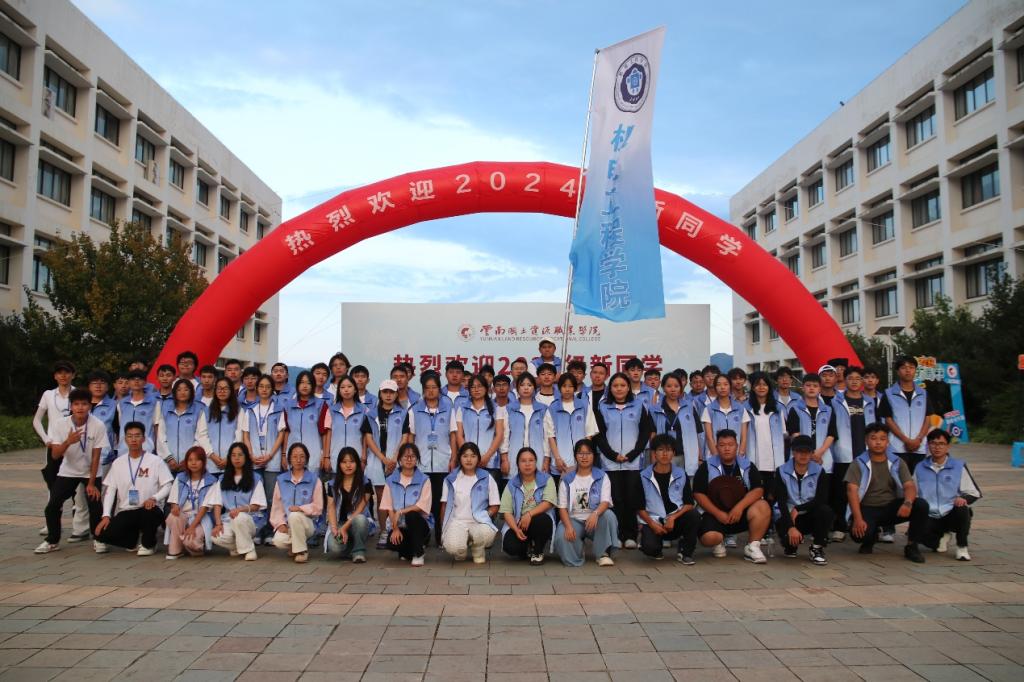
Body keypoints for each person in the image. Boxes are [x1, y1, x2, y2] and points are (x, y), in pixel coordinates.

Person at [35, 389, 108, 554]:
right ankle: (52, 540)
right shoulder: (60, 424)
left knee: (95, 505)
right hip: (68, 470)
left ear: (90, 406)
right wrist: (68, 441)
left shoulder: (98, 425)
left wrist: (91, 484)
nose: (80, 407)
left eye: (84, 404)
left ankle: (99, 539)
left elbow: (96, 456)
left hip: (91, 472)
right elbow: (55, 455)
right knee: (53, 505)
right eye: (76, 404)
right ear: (71, 406)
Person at [844, 422, 929, 563]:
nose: (878, 442)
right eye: (873, 438)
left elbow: (909, 486)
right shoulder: (858, 463)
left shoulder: (897, 462)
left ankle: (912, 546)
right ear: (866, 441)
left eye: (882, 439)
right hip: (867, 508)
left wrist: (907, 503)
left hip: (890, 507)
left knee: (920, 505)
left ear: (888, 442)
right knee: (860, 535)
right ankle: (870, 538)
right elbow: (851, 491)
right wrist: (857, 519)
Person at [692, 429, 772, 563]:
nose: (727, 448)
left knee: (762, 506)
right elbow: (698, 494)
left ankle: (752, 546)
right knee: (710, 538)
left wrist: (739, 507)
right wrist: (717, 513)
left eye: (730, 445)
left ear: (737, 446)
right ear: (716, 447)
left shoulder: (747, 465)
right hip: (714, 514)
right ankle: (718, 542)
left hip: (739, 513)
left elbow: (758, 490)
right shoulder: (707, 466)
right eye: (722, 445)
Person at [94, 421, 173, 555]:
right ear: (125, 439)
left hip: (149, 508)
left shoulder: (155, 461)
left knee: (149, 514)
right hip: (127, 510)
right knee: (101, 534)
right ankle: (131, 540)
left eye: (137, 436)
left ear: (143, 439)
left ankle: (149, 544)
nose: (133, 439)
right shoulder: (118, 463)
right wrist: (106, 515)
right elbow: (110, 491)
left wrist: (155, 498)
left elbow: (168, 485)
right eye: (130, 436)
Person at [406, 371, 457, 546]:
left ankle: (440, 535)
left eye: (434, 387)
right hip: (422, 464)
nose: (431, 391)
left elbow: (453, 435)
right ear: (423, 390)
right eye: (427, 388)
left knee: (440, 502)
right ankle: (424, 536)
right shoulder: (415, 410)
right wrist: (411, 458)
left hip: (443, 463)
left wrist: (453, 458)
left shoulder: (448, 408)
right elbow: (411, 436)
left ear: (439, 389)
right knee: (423, 502)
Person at [915, 429, 981, 561]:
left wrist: (963, 498)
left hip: (951, 512)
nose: (937, 447)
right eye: (933, 443)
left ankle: (962, 547)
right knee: (917, 534)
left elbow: (974, 492)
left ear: (948, 446)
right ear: (928, 445)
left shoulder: (958, 466)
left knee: (962, 508)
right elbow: (913, 492)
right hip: (929, 514)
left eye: (941, 444)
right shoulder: (920, 467)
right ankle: (940, 539)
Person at [553, 439, 617, 567]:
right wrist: (568, 526)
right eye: (580, 453)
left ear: (594, 455)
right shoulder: (567, 479)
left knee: (608, 515)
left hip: (595, 520)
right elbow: (562, 507)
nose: (584, 457)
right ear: (575, 456)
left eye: (588, 453)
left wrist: (595, 513)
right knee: (561, 536)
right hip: (574, 519)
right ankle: (577, 552)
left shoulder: (602, 476)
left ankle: (603, 554)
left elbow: (605, 501)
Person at [637, 434, 700, 564]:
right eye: (660, 450)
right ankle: (654, 546)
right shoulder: (643, 476)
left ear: (674, 453)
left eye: (669, 450)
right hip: (654, 521)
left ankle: (685, 552)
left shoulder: (681, 474)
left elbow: (689, 503)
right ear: (654, 453)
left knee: (694, 514)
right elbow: (639, 507)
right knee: (650, 548)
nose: (665, 454)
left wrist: (673, 518)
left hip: (675, 521)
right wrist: (652, 524)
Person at [829, 366, 875, 541]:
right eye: (851, 378)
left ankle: (863, 524)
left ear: (862, 381)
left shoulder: (870, 402)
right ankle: (840, 526)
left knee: (865, 490)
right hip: (843, 452)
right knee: (842, 492)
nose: (854, 381)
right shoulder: (836, 401)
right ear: (844, 380)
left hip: (865, 453)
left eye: (858, 378)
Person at [361, 379, 409, 546]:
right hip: (377, 461)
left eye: (391, 392)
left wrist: (394, 459)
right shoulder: (370, 414)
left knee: (397, 498)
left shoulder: (403, 413)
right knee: (382, 499)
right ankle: (383, 531)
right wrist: (383, 459)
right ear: (380, 394)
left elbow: (405, 437)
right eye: (385, 392)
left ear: (396, 394)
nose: (388, 395)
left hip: (397, 462)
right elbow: (368, 438)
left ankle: (397, 529)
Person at [241, 374, 286, 544]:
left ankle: (269, 530)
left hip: (271, 459)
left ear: (272, 389)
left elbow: (281, 435)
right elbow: (245, 435)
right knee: (255, 497)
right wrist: (250, 454)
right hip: (254, 459)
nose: (264, 389)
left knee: (270, 496)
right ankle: (257, 531)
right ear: (257, 388)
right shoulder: (250, 410)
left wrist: (270, 455)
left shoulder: (278, 410)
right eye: (261, 386)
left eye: (268, 387)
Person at [774, 435, 832, 565]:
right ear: (793, 452)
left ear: (812, 453)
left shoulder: (819, 471)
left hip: (809, 513)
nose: (803, 455)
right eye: (800, 451)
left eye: (807, 452)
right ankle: (790, 545)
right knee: (789, 544)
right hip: (788, 515)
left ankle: (817, 548)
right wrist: (790, 527)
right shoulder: (781, 471)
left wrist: (798, 508)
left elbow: (821, 499)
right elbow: (781, 502)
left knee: (825, 511)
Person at [440, 442, 499, 563]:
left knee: (486, 534)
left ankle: (478, 548)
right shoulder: (450, 479)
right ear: (459, 458)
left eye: (473, 456)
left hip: (478, 522)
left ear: (478, 458)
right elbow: (444, 505)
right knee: (453, 547)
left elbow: (495, 505)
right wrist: (444, 527)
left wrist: (485, 515)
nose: (469, 459)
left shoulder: (486, 477)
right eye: (465, 456)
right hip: (457, 522)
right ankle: (461, 551)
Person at [209, 442, 268, 561]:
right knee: (215, 536)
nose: (237, 458)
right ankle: (240, 547)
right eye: (233, 455)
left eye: (240, 455)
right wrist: (218, 524)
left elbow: (257, 505)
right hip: (229, 518)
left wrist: (241, 509)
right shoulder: (223, 479)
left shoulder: (255, 478)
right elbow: (217, 504)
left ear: (246, 457)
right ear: (229, 458)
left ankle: (249, 551)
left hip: (250, 518)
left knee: (239, 517)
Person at [500, 447, 556, 564]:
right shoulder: (512, 484)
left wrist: (529, 515)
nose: (527, 464)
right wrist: (516, 530)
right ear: (518, 464)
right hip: (519, 523)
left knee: (542, 521)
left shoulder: (547, 479)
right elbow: (506, 511)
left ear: (536, 462)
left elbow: (548, 502)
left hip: (539, 520)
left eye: (531, 460)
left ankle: (538, 551)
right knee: (511, 546)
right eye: (523, 461)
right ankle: (527, 547)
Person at [270, 443, 324, 563]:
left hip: (308, 524)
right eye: (294, 456)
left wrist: (301, 509)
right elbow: (277, 506)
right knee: (278, 541)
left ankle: (301, 551)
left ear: (307, 459)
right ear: (289, 459)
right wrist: (280, 523)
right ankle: (295, 546)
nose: (298, 460)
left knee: (294, 515)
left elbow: (318, 506)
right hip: (288, 524)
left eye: (302, 456)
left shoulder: (314, 479)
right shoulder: (281, 480)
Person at [381, 443, 432, 566]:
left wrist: (401, 511)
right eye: (405, 456)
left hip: (419, 525)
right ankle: (410, 550)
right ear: (399, 459)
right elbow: (389, 508)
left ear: (417, 459)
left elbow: (421, 505)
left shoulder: (424, 480)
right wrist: (395, 528)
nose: (409, 459)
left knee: (411, 515)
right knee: (392, 543)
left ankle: (418, 553)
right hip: (400, 525)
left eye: (413, 456)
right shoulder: (390, 480)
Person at [879, 356, 932, 473]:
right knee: (897, 480)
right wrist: (906, 440)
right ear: (898, 371)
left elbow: (927, 419)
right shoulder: (888, 394)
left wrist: (918, 440)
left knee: (917, 481)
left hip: (919, 448)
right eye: (903, 367)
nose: (908, 370)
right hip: (897, 448)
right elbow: (888, 420)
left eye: (911, 367)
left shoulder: (923, 394)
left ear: (915, 370)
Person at [164, 446, 217, 559]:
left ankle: (192, 545)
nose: (193, 463)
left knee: (191, 542)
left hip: (200, 518)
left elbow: (204, 507)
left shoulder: (211, 481)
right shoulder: (180, 478)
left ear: (203, 462)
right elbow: (174, 500)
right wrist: (175, 507)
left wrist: (192, 526)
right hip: (183, 516)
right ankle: (175, 550)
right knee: (174, 517)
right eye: (190, 460)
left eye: (197, 460)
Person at [544, 373, 598, 483]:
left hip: (581, 461)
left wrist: (584, 455)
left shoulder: (584, 405)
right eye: (564, 386)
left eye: (570, 386)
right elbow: (550, 436)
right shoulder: (552, 408)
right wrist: (557, 458)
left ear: (575, 388)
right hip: (560, 463)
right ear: (559, 388)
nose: (567, 389)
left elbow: (589, 433)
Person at [325, 447, 375, 563]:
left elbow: (360, 509)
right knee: (335, 548)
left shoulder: (365, 483)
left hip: (357, 521)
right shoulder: (332, 484)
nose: (348, 465)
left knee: (360, 519)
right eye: (344, 462)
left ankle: (358, 552)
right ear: (339, 464)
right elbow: (331, 508)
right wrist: (335, 529)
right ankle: (352, 545)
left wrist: (344, 528)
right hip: (340, 523)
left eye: (352, 461)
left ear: (357, 463)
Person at [455, 375, 506, 486]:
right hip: (468, 462)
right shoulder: (462, 409)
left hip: (490, 462)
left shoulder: (496, 408)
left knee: (491, 494)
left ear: (486, 388)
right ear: (469, 390)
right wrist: (468, 456)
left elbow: (499, 435)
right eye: (473, 387)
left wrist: (487, 456)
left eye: (479, 386)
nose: (476, 389)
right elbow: (459, 435)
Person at [745, 372, 786, 499]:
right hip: (754, 459)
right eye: (758, 385)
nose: (761, 387)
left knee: (772, 496)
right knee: (755, 495)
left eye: (764, 384)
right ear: (753, 388)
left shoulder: (777, 408)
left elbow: (783, 433)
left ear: (769, 387)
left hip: (773, 460)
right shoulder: (745, 408)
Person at [651, 372, 701, 476]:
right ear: (663, 388)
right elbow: (653, 435)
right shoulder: (656, 409)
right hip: (664, 457)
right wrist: (653, 458)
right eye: (669, 386)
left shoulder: (689, 407)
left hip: (687, 455)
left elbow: (696, 433)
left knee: (687, 483)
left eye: (676, 386)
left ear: (681, 388)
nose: (673, 389)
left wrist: (699, 456)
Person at [785, 373, 837, 471]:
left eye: (815, 386)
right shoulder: (795, 409)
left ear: (820, 389)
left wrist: (819, 453)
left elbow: (831, 434)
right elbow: (794, 433)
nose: (811, 388)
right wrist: (809, 454)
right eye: (808, 385)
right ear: (803, 388)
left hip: (823, 458)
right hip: (801, 457)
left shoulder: (828, 410)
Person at [282, 371, 330, 476]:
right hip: (293, 454)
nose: (305, 386)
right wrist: (284, 454)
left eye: (308, 383)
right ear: (297, 385)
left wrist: (325, 455)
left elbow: (325, 433)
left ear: (313, 385)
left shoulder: (321, 405)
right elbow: (286, 431)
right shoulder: (288, 405)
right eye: (302, 382)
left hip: (314, 454)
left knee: (313, 483)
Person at [161, 379, 211, 475]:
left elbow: (200, 436)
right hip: (167, 463)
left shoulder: (199, 410)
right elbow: (160, 436)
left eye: (186, 389)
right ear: (174, 392)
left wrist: (188, 458)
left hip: (191, 463)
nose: (182, 392)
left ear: (191, 392)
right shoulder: (166, 410)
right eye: (179, 390)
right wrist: (169, 458)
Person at [504, 373, 547, 482]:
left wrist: (546, 459)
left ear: (534, 388)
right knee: (514, 485)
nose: (526, 388)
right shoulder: (509, 409)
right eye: (522, 385)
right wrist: (504, 458)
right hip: (514, 453)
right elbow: (505, 436)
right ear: (517, 388)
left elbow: (547, 436)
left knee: (537, 485)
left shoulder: (543, 409)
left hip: (538, 454)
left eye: (529, 385)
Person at [323, 375, 367, 477]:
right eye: (342, 387)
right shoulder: (331, 410)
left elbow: (366, 436)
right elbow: (328, 434)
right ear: (339, 391)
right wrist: (326, 457)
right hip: (336, 457)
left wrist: (364, 456)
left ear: (355, 390)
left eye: (349, 386)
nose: (346, 390)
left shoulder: (364, 410)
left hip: (356, 457)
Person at [701, 374, 750, 458]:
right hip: (714, 457)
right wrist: (716, 456)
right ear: (715, 388)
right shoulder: (708, 410)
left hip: (736, 456)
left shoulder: (740, 409)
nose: (722, 387)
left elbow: (744, 437)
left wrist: (740, 454)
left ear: (730, 387)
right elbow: (709, 437)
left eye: (725, 384)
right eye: (719, 385)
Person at [206, 377, 243, 477]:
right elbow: (202, 435)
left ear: (231, 391)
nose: (222, 391)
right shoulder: (206, 411)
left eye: (226, 388)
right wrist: (212, 456)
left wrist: (229, 457)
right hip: (210, 463)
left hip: (232, 462)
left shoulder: (239, 410)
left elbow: (239, 435)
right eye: (219, 388)